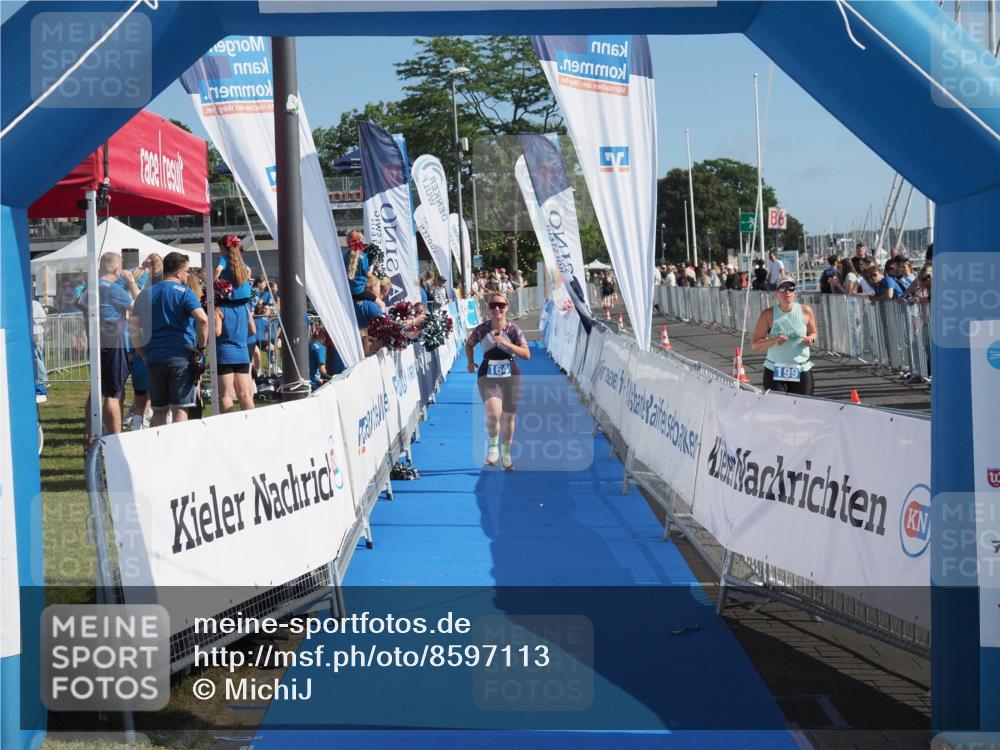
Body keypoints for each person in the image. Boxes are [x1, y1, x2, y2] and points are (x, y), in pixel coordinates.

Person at [131, 252, 210, 427]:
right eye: (187, 271)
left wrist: (143, 353)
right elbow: (203, 320)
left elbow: (133, 328)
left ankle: (158, 444)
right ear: (178, 271)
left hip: (154, 357)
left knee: (159, 411)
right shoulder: (185, 293)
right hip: (180, 357)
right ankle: (178, 444)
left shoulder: (145, 294)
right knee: (180, 410)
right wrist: (201, 348)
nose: (188, 275)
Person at [465, 292, 530, 470]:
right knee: (494, 413)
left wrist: (506, 344)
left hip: (511, 374)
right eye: (493, 305)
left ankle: (506, 454)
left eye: (501, 305)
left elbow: (526, 355)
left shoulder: (514, 330)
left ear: (507, 307)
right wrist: (470, 361)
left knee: (509, 417)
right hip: (488, 374)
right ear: (489, 309)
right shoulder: (482, 329)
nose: (497, 309)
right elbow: (469, 344)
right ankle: (493, 448)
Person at [81, 251, 140, 435]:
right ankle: (115, 439)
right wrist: (132, 283)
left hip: (95, 341)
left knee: (96, 391)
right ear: (117, 270)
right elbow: (139, 306)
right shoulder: (113, 289)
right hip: (113, 344)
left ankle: (91, 438)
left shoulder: (89, 287)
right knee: (113, 394)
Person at [750, 277, 817, 396]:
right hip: (775, 368)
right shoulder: (768, 314)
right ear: (776, 293)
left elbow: (814, 333)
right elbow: (755, 345)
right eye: (783, 288)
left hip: (801, 368)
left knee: (803, 405)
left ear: (794, 292)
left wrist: (811, 339)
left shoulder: (805, 311)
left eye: (791, 288)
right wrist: (774, 340)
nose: (787, 292)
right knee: (777, 406)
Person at [126, 256, 165, 431]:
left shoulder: (154, 285)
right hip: (143, 339)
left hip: (146, 339)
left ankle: (139, 418)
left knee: (147, 388)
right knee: (144, 387)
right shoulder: (145, 284)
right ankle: (138, 419)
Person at [214, 289, 256, 413]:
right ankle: (253, 421)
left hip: (225, 355)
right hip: (242, 354)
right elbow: (253, 330)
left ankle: (228, 424)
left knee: (225, 395)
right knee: (245, 395)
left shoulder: (219, 309)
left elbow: (217, 332)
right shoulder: (245, 308)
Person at [214, 235, 252, 302]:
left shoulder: (224, 259)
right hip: (246, 294)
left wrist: (211, 282)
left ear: (222, 247)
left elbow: (218, 269)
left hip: (233, 296)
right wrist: (246, 279)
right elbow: (248, 270)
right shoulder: (238, 260)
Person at [32, 297, 48, 402]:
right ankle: (41, 378)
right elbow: (43, 317)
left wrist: (35, 320)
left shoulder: (34, 304)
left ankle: (42, 379)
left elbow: (42, 317)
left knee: (37, 357)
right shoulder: (36, 303)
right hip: (37, 332)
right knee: (38, 356)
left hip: (36, 332)